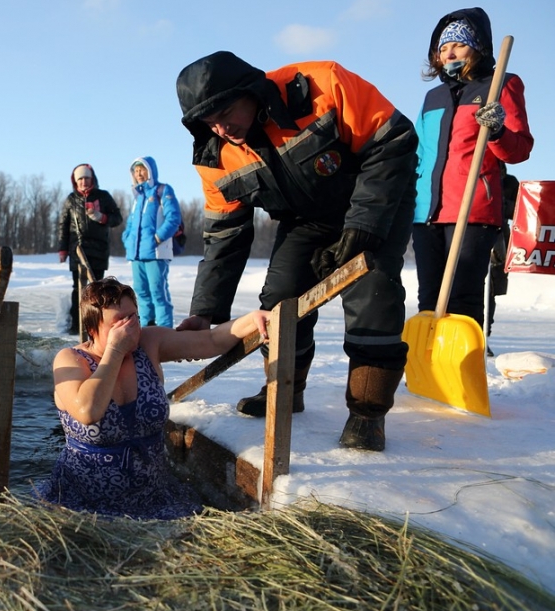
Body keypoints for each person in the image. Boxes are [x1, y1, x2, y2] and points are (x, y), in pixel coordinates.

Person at [175, 50, 419, 452]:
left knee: (372, 295)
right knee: (278, 302)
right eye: (209, 121)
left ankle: (367, 413)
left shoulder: (323, 84)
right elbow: (225, 236)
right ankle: (287, 390)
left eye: (227, 111)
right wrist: (204, 311)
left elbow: (393, 140)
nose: (222, 127)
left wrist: (363, 226)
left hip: (377, 200)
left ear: (251, 92)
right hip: (306, 220)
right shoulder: (215, 157)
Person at [35, 277, 269, 519]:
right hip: (81, 503)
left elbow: (210, 341)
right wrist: (115, 350)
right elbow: (88, 411)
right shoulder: (70, 360)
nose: (130, 327)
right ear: (93, 329)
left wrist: (252, 320)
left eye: (133, 317)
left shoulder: (149, 343)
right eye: (119, 322)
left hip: (153, 497)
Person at [413, 8, 533, 342]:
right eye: (442, 46)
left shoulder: (501, 85)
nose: (448, 52)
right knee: (429, 298)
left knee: (463, 299)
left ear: (477, 47)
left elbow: (520, 149)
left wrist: (496, 132)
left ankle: (463, 373)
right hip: (426, 212)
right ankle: (431, 371)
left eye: (458, 44)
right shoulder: (432, 97)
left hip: (474, 209)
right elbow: (421, 154)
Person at [57, 164, 123, 335]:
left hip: (99, 249)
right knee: (78, 288)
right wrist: (62, 249)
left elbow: (117, 218)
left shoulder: (103, 196)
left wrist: (102, 217)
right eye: (80, 179)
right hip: (77, 250)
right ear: (76, 182)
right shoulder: (71, 199)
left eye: (87, 178)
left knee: (97, 288)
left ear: (92, 179)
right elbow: (63, 226)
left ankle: (96, 324)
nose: (84, 182)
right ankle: (76, 324)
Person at [121, 156, 182, 328]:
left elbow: (173, 218)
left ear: (150, 171)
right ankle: (147, 328)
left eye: (142, 169)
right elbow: (131, 223)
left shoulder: (162, 191)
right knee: (141, 292)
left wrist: (158, 238)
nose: (139, 173)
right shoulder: (138, 196)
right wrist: (127, 239)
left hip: (156, 252)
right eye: (136, 170)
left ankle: (164, 331)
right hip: (136, 254)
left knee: (158, 292)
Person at [486, 170, 519, 355]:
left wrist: (500, 203)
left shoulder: (508, 183)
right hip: (469, 236)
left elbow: (520, 210)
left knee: (490, 293)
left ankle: (484, 336)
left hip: (498, 242)